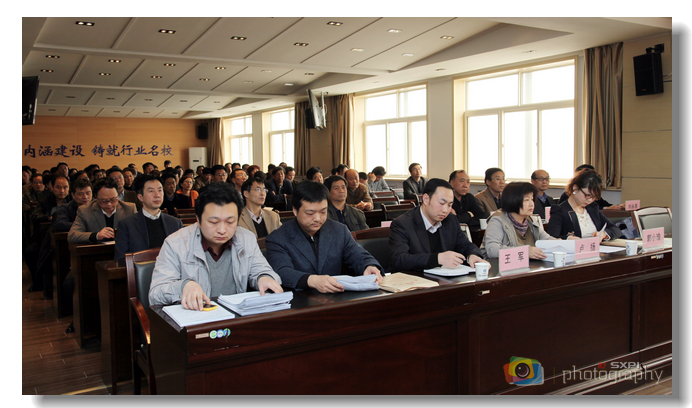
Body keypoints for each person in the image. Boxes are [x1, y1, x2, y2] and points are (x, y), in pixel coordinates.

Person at [149, 182, 283, 310]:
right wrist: (183, 286)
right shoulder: (175, 244)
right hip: (197, 318)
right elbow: (155, 294)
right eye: (214, 222)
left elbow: (261, 269)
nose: (222, 230)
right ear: (198, 219)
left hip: (235, 318)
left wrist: (264, 277)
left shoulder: (246, 238)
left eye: (230, 222)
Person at [265, 181, 383, 293]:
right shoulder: (278, 238)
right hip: (298, 300)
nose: (317, 218)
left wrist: (369, 265)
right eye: (310, 213)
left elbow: (358, 254)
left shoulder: (338, 230)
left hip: (335, 298)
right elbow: (283, 271)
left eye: (323, 212)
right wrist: (311, 280)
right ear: (295, 210)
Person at [389, 178, 486, 272]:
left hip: (446, 278)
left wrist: (473, 255)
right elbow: (399, 260)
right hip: (416, 279)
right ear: (426, 199)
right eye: (441, 203)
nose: (445, 210)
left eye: (449, 205)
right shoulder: (403, 224)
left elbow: (466, 245)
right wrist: (437, 259)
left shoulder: (451, 220)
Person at [114, 174, 184, 261]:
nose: (157, 195)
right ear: (140, 197)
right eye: (151, 191)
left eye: (160, 190)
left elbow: (183, 255)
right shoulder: (126, 225)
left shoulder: (175, 223)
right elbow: (121, 259)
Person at [482, 182, 558, 260]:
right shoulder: (498, 220)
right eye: (526, 200)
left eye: (532, 199)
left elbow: (546, 239)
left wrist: (562, 243)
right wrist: (525, 251)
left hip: (527, 265)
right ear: (513, 201)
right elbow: (492, 250)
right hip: (500, 265)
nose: (531, 204)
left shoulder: (531, 220)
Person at [546, 170, 622, 241]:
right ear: (575, 188)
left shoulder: (592, 208)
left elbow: (615, 229)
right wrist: (568, 238)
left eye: (594, 197)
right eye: (588, 195)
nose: (590, 200)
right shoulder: (560, 210)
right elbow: (551, 237)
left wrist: (603, 234)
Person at [68, 178, 137, 244]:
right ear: (96, 198)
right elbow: (72, 235)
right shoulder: (85, 211)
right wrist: (97, 235)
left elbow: (140, 232)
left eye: (113, 200)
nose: (109, 204)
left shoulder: (129, 209)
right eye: (104, 201)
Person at [557, 165, 625, 210]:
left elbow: (604, 204)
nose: (590, 200)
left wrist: (620, 206)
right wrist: (606, 208)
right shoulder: (568, 194)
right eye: (588, 195)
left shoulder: (592, 197)